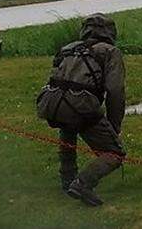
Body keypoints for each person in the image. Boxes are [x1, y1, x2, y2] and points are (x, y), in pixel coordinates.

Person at [35, 13, 126, 207]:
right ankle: (83, 183)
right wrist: (114, 126)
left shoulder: (68, 49)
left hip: (52, 102)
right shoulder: (110, 52)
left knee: (68, 130)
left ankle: (67, 179)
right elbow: (115, 91)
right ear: (110, 32)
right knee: (114, 154)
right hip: (80, 105)